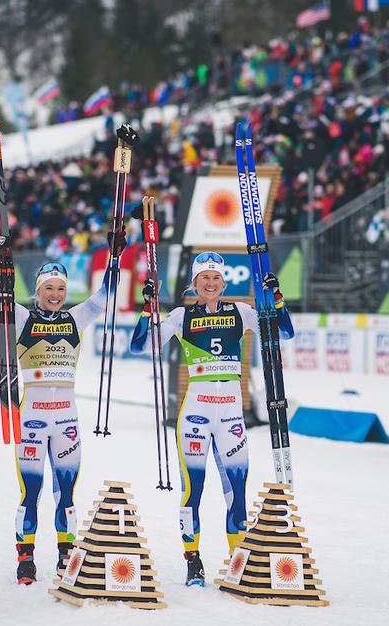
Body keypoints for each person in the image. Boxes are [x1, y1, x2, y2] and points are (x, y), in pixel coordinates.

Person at [129, 251, 295, 587]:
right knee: (194, 490)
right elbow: (140, 346)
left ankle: (238, 561)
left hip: (231, 413)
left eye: (216, 277)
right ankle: (193, 561)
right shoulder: (180, 316)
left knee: (236, 490)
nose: (210, 282)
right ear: (194, 282)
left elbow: (284, 333)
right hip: (196, 413)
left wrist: (276, 299)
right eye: (204, 277)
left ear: (224, 282)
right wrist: (148, 311)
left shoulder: (242, 312)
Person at [10, 231, 124, 585]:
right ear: (38, 291)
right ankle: (25, 558)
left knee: (66, 491)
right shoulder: (22, 318)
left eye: (60, 288)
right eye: (49, 288)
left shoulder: (76, 318)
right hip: (31, 418)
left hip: (66, 420)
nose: (55, 295)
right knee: (31, 491)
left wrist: (114, 259)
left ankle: (65, 553)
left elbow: (105, 296)